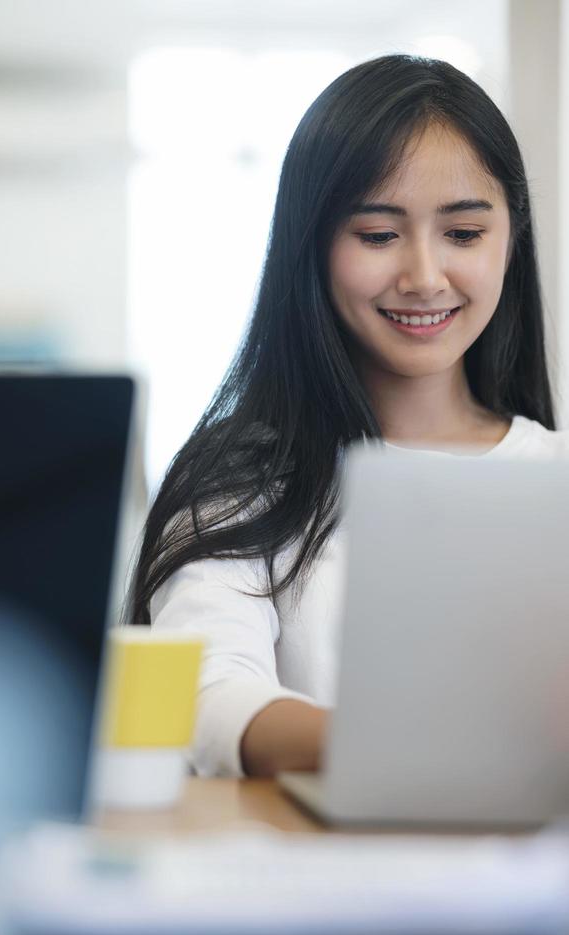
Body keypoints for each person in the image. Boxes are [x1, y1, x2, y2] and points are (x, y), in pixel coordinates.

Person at [125, 54, 569, 779]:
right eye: (377, 234)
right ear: (312, 246)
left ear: (510, 241)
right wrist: (420, 750)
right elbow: (207, 698)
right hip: (304, 879)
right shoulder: (239, 481)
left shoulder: (557, 474)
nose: (425, 277)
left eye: (463, 234)